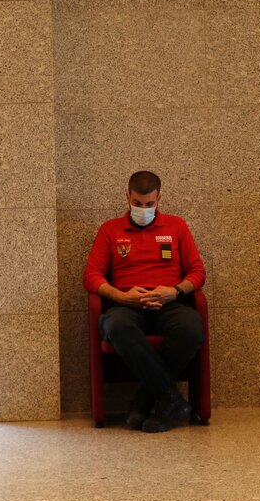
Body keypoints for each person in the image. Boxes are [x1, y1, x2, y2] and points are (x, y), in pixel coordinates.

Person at [83, 170, 206, 433]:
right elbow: (91, 275)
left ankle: (146, 399)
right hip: (127, 305)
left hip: (169, 302)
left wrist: (175, 291)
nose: (143, 209)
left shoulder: (177, 226)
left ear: (159, 198)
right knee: (115, 327)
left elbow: (197, 272)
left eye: (149, 204)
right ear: (127, 197)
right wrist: (120, 296)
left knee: (191, 328)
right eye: (137, 203)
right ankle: (171, 400)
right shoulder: (110, 230)